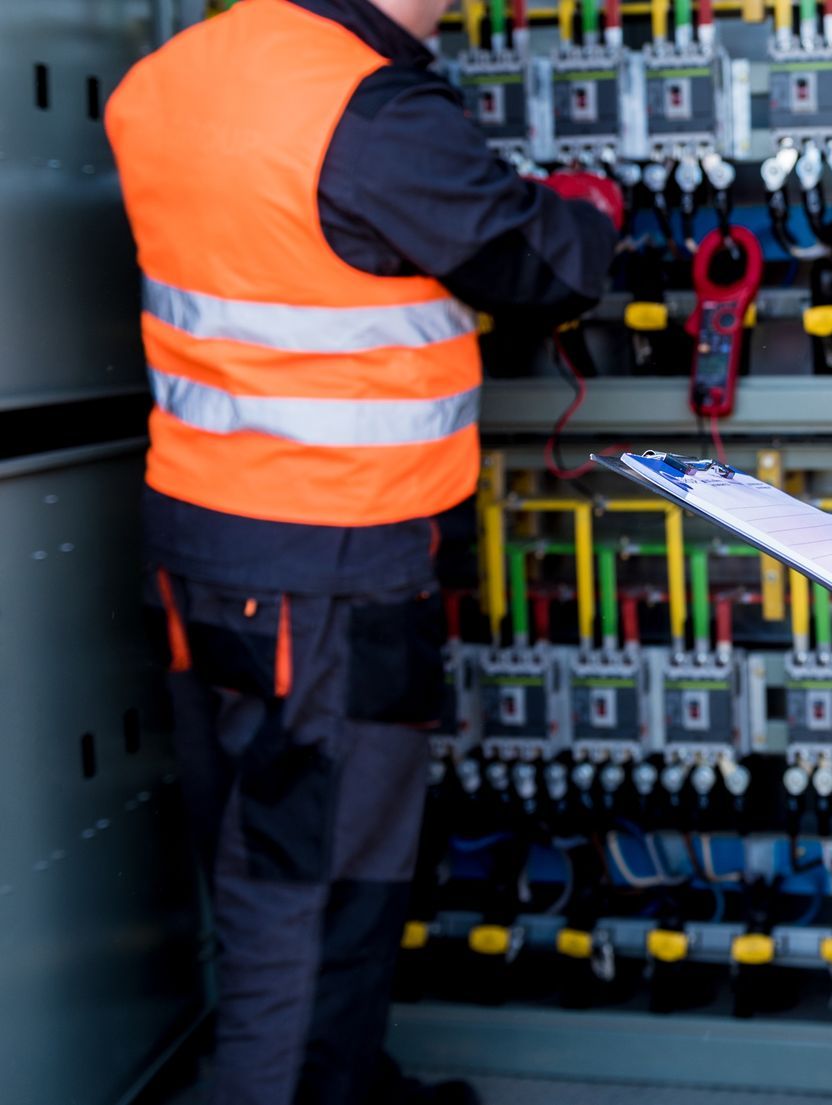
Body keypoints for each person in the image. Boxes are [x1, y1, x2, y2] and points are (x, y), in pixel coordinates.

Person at [104, 0, 618, 1099]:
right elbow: (542, 269)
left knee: (265, 856)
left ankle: (343, 1080)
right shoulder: (362, 107)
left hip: (207, 540)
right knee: (315, 885)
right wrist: (589, 209)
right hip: (328, 569)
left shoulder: (167, 74)